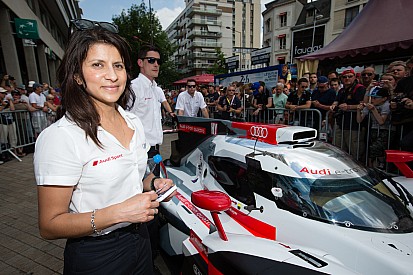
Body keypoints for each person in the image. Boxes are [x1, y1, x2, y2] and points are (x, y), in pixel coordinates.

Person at [34, 21, 175, 274]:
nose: (112, 75)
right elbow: (50, 225)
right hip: (97, 254)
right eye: (98, 65)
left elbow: (138, 174)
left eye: (118, 65)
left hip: (141, 241)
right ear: (77, 75)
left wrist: (153, 183)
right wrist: (118, 213)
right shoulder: (61, 136)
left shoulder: (132, 121)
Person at [130, 44, 175, 173]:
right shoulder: (134, 88)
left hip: (155, 149)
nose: (156, 64)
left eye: (158, 61)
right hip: (139, 151)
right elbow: (125, 122)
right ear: (140, 62)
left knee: (155, 188)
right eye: (151, 60)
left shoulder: (156, 89)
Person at [330, 69, 366, 159]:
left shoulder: (360, 88)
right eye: (345, 77)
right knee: (338, 148)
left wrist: (349, 107)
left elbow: (363, 104)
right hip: (340, 122)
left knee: (354, 150)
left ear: (354, 77)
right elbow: (336, 101)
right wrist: (334, 105)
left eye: (350, 76)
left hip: (354, 124)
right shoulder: (342, 90)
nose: (347, 78)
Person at [357, 87, 392, 168]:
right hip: (374, 129)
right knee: (371, 150)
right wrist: (359, 110)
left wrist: (373, 110)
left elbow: (381, 121)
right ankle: (372, 168)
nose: (372, 99)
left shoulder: (386, 105)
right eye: (371, 97)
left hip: (386, 130)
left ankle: (382, 165)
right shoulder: (370, 105)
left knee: (377, 149)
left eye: (375, 98)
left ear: (384, 98)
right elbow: (359, 120)